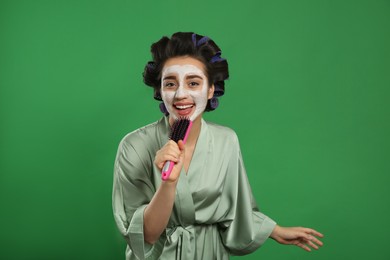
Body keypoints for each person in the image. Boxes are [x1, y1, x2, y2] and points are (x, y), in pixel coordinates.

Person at [112, 32, 324, 260]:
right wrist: (168, 184)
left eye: (193, 83)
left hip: (210, 253)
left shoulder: (226, 140)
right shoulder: (133, 146)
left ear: (211, 89)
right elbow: (146, 235)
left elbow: (236, 209)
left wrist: (275, 231)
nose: (181, 94)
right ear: (160, 91)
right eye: (170, 83)